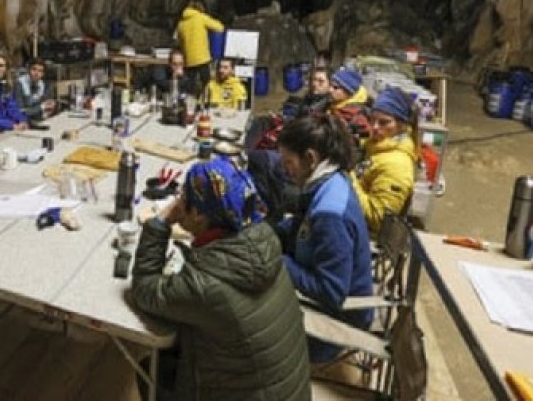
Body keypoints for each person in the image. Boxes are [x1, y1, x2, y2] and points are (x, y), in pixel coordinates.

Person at [131, 158, 311, 401]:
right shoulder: (263, 238)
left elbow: (145, 289)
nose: (179, 204)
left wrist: (160, 221)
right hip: (289, 392)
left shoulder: (207, 284)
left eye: (184, 200)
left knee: (151, 368)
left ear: (200, 215)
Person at [275, 114, 374, 363]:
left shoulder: (331, 215)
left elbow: (331, 291)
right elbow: (304, 226)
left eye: (288, 163)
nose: (286, 171)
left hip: (337, 319)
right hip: (326, 296)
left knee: (250, 331)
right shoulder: (330, 180)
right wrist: (270, 231)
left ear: (310, 158)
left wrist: (281, 261)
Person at [351, 86, 418, 236]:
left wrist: (348, 178)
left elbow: (378, 219)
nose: (374, 127)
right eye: (372, 120)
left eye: (384, 122)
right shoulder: (375, 147)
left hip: (364, 239)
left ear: (401, 125)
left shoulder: (397, 166)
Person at [175, 0, 224, 89]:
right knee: (207, 83)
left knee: (190, 85)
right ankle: (206, 100)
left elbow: (179, 41)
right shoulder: (201, 17)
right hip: (203, 58)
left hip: (188, 59)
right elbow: (219, 28)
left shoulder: (181, 24)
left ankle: (190, 100)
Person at [328, 67, 371, 140]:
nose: (330, 90)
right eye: (330, 85)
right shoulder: (332, 105)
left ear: (348, 92)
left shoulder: (355, 115)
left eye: (335, 87)